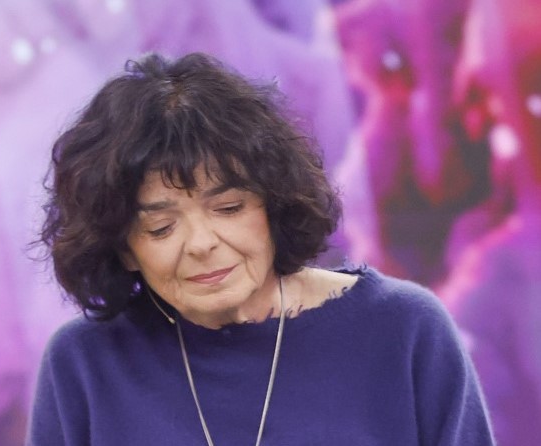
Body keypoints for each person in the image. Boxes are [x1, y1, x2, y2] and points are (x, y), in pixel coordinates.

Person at [27, 52, 494, 445]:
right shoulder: (83, 364)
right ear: (122, 247)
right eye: (161, 227)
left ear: (273, 203)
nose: (202, 244)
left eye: (228, 208)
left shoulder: (403, 329)